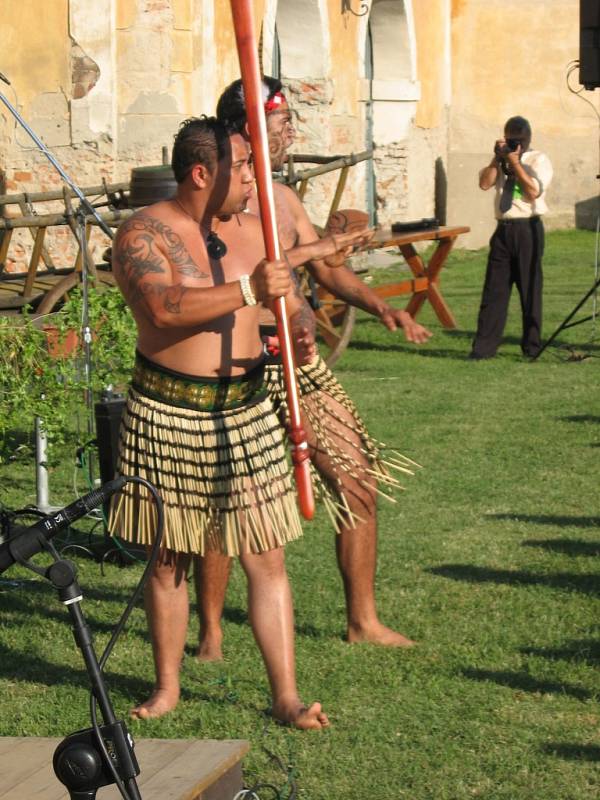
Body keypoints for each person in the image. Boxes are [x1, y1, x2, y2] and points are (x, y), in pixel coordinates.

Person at [191, 78, 433, 665]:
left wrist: (381, 306)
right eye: (277, 127)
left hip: (302, 370)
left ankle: (362, 620)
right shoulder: (214, 211)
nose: (289, 135)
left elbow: (325, 271)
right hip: (239, 368)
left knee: (356, 478)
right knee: (225, 503)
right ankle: (212, 635)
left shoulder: (284, 198)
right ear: (242, 132)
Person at [109, 115, 330, 729]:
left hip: (248, 408)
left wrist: (299, 330)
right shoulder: (142, 234)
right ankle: (168, 686)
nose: (258, 179)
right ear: (202, 172)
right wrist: (247, 288)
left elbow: (283, 305)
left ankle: (285, 695)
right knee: (168, 558)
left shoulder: (258, 231)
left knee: (267, 554)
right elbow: (161, 306)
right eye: (245, 167)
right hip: (168, 411)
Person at [470, 116, 553, 360]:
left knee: (530, 289)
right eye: (510, 136)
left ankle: (532, 347)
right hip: (503, 229)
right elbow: (485, 184)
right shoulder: (500, 158)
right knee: (494, 291)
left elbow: (532, 191)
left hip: (528, 228)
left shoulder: (539, 159)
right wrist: (498, 157)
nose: (516, 141)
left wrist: (515, 163)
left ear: (529, 137)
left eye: (520, 137)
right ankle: (483, 349)